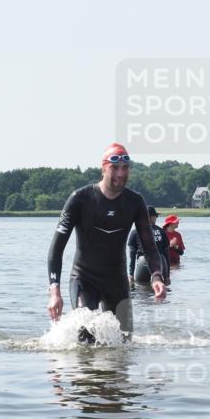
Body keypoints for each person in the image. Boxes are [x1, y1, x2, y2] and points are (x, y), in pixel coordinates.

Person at [47, 143, 165, 335]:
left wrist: (157, 276)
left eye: (125, 168)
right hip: (84, 279)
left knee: (124, 343)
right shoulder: (80, 199)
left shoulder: (134, 201)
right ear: (103, 168)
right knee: (86, 334)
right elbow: (56, 248)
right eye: (115, 167)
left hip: (117, 282)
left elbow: (149, 244)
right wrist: (54, 292)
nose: (121, 173)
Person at [128, 206, 170, 284]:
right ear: (151, 217)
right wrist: (167, 276)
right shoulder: (162, 231)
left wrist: (131, 274)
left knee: (142, 289)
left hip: (144, 260)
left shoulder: (135, 231)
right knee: (161, 289)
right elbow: (167, 254)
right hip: (160, 260)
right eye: (156, 216)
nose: (156, 218)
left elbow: (132, 254)